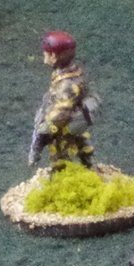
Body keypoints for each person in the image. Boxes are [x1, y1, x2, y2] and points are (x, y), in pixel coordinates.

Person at [28, 31, 98, 168]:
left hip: (69, 122)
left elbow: (62, 112)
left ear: (54, 56)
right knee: (80, 141)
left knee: (59, 149)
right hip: (77, 117)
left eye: (46, 53)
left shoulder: (66, 84)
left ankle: (61, 171)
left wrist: (46, 128)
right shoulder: (72, 73)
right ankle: (88, 163)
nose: (44, 56)